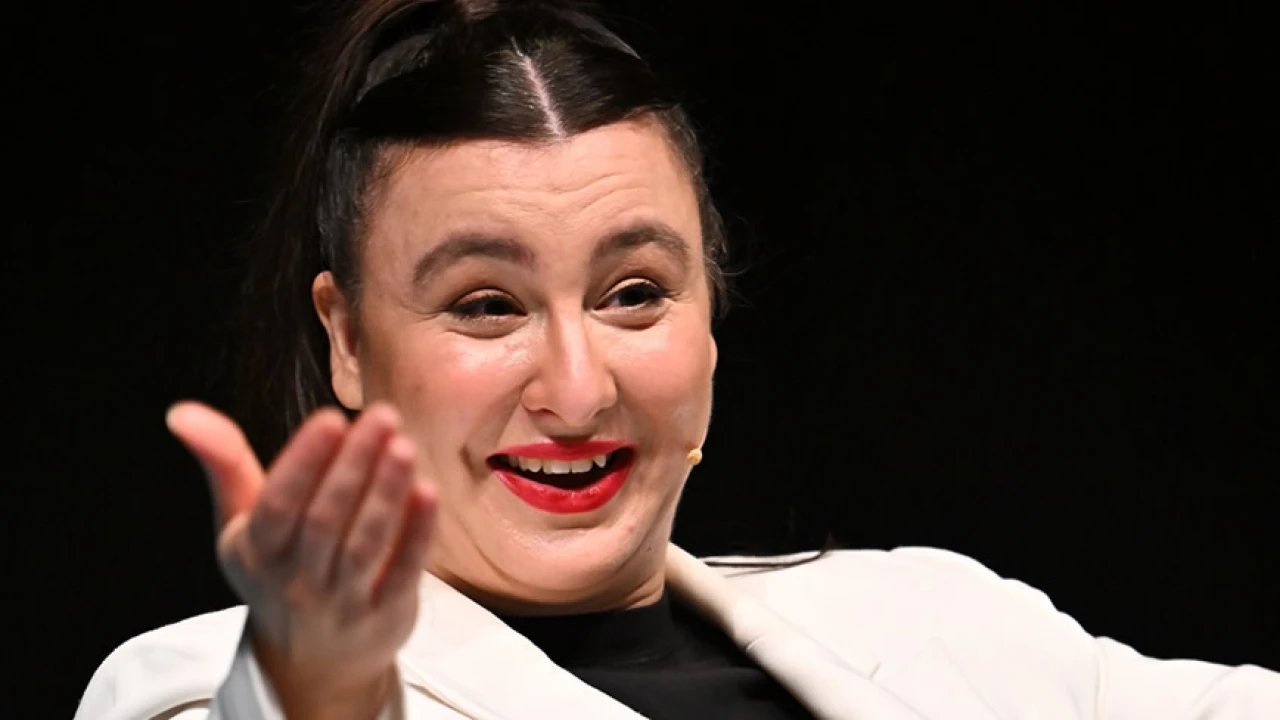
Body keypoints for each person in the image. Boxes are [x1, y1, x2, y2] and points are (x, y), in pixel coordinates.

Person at [76, 1, 1279, 718]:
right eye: (487, 306)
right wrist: (319, 691)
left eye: (634, 294)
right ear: (346, 338)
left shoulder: (937, 617)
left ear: (710, 313)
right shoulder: (194, 687)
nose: (577, 389)